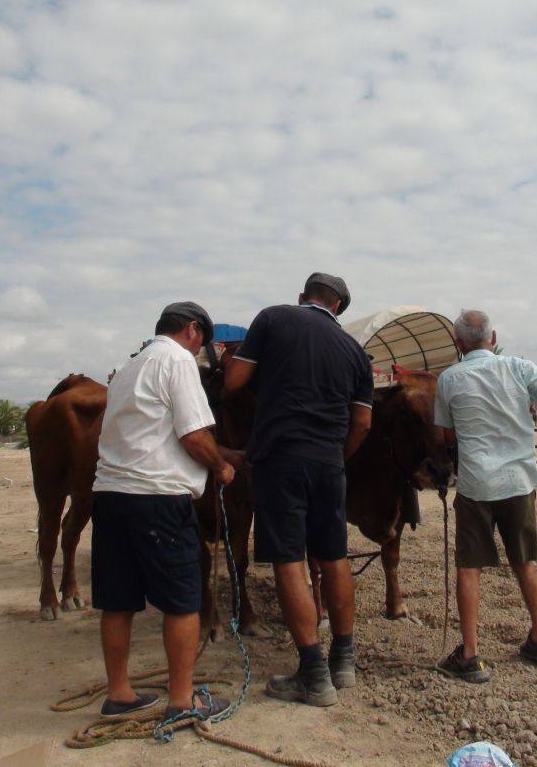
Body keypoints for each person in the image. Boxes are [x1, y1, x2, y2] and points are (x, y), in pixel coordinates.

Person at [222, 272, 373, 707]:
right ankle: (344, 661)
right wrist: (337, 456)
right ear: (339, 308)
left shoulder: (273, 318)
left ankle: (313, 675)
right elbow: (362, 423)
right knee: (334, 556)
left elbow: (233, 383)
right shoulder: (356, 353)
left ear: (302, 297)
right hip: (329, 462)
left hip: (280, 459)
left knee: (289, 561)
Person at [91, 301, 238, 725]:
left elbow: (155, 432)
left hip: (111, 495)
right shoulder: (177, 360)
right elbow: (193, 434)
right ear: (192, 330)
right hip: (157, 499)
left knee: (117, 600)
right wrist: (221, 466)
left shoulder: (130, 365)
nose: (198, 351)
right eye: (200, 343)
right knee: (182, 601)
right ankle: (182, 701)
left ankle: (119, 694)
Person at [434, 309, 537, 682]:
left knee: (470, 566)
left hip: (477, 485)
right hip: (518, 481)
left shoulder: (449, 379)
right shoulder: (517, 367)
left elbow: (447, 437)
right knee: (525, 561)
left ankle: (470, 655)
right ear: (493, 339)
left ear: (458, 344)